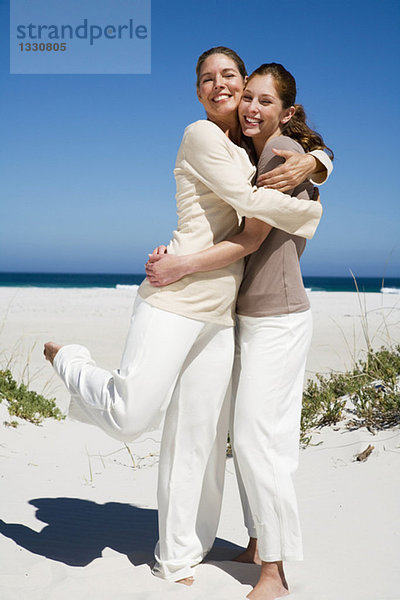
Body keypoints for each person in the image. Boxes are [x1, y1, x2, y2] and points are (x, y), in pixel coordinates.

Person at [44, 48, 329, 586]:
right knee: (132, 416)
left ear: (245, 88)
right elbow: (249, 205)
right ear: (198, 90)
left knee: (196, 438)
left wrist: (320, 161)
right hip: (174, 297)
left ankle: (178, 554)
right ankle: (74, 362)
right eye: (207, 78)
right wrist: (312, 211)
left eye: (231, 78)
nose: (220, 86)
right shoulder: (200, 136)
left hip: (223, 314)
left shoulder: (252, 148)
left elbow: (298, 154)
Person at [145, 62, 333, 599]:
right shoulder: (247, 154)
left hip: (278, 316)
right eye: (248, 97)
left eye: (265, 101)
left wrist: (314, 162)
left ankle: (274, 571)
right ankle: (256, 542)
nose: (251, 107)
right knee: (254, 437)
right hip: (246, 314)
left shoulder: (282, 156)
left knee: (256, 441)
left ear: (288, 112)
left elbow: (259, 229)